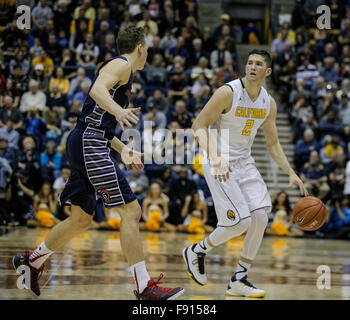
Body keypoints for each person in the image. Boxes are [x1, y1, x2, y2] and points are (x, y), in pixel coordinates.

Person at [13, 26, 184, 300]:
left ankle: (31, 261)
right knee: (131, 211)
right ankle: (144, 287)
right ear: (140, 47)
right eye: (148, 49)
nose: (148, 53)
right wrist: (118, 111)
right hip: (88, 143)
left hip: (87, 140)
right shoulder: (123, 64)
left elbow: (100, 127)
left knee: (81, 220)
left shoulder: (122, 72)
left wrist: (122, 149)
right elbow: (96, 90)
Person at [182, 49, 308, 298]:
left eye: (258, 64)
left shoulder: (268, 103)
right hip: (219, 161)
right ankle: (197, 250)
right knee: (240, 222)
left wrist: (290, 172)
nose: (252, 67)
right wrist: (215, 156)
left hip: (244, 162)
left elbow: (273, 144)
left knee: (261, 216)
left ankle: (239, 278)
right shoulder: (228, 92)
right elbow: (198, 125)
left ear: (267, 71)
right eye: (249, 62)